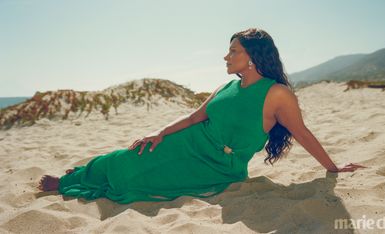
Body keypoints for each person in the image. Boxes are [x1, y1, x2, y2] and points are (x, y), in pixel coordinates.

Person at [37, 28, 366, 204]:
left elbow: (302, 133)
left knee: (134, 181)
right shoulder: (227, 86)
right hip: (187, 143)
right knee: (128, 156)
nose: (226, 56)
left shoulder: (277, 93)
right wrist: (161, 133)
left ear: (252, 56)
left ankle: (81, 180)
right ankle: (73, 179)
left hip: (217, 166)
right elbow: (195, 116)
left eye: (233, 50)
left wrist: (332, 167)